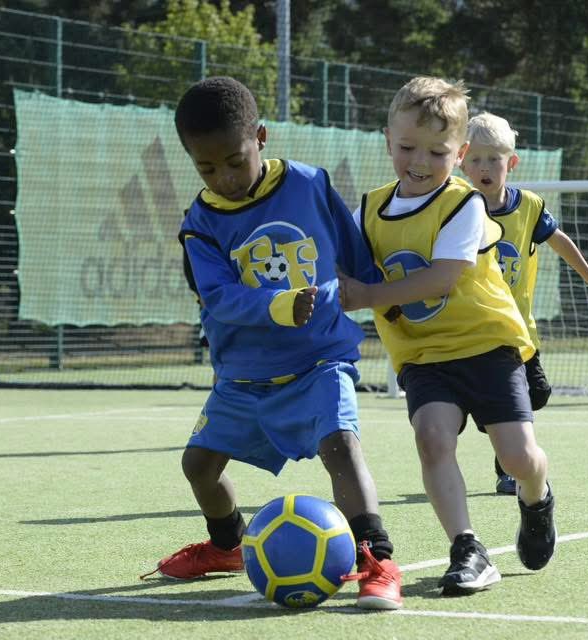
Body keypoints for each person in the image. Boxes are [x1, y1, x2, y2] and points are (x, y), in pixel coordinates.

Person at [139, 76, 402, 610]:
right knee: (198, 467)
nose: (225, 178)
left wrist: (387, 297)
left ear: (260, 137)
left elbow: (354, 256)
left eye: (234, 161)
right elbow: (218, 297)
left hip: (319, 358)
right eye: (206, 168)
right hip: (244, 376)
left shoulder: (309, 183)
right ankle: (228, 546)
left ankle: (375, 558)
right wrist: (280, 305)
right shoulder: (201, 224)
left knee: (342, 447)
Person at [338, 76, 556, 596]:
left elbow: (442, 276)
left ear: (459, 155)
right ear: (387, 140)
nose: (418, 161)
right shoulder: (367, 210)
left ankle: (537, 497)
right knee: (432, 439)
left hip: (486, 344)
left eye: (436, 151)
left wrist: (368, 297)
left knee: (518, 458)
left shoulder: (465, 205)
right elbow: (344, 264)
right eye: (407, 147)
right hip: (423, 354)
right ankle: (467, 547)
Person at [461, 112, 588, 495]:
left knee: (538, 394)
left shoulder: (528, 207)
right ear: (461, 160)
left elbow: (559, 240)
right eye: (475, 159)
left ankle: (494, 423)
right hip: (475, 331)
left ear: (510, 163)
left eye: (493, 159)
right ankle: (508, 467)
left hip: (520, 330)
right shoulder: (457, 208)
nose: (484, 167)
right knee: (511, 407)